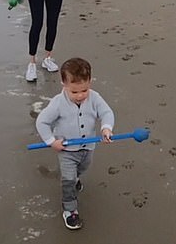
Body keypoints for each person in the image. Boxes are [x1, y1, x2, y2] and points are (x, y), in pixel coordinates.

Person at [35, 57, 115, 230]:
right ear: (64, 84)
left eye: (84, 90)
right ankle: (70, 210)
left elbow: (106, 113)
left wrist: (106, 128)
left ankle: (76, 177)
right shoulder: (58, 103)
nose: (80, 96)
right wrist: (51, 141)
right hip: (66, 150)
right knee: (69, 180)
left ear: (90, 82)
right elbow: (42, 122)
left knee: (83, 168)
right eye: (74, 92)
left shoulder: (94, 98)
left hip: (88, 148)